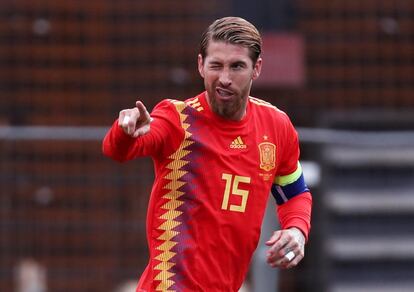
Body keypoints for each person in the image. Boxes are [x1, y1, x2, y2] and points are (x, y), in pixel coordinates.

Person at [103, 16, 312, 292]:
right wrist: (124, 130)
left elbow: (294, 193)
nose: (224, 78)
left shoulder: (276, 127)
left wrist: (297, 230)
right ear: (201, 65)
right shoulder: (177, 119)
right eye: (216, 65)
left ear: (256, 69)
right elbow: (118, 151)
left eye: (237, 66)